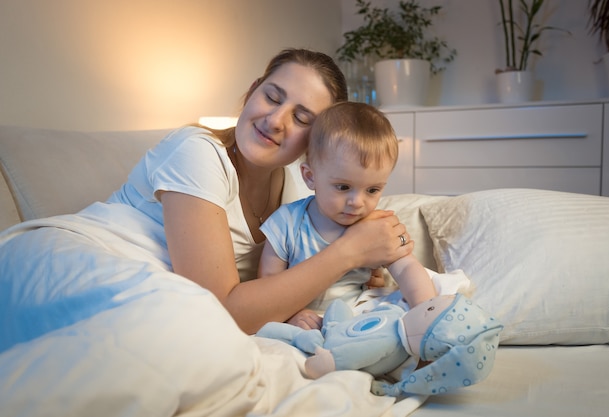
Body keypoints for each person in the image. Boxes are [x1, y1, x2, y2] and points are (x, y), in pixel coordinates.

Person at [0, 48, 415, 345]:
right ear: (253, 90)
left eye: (301, 117)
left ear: (318, 141)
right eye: (271, 96)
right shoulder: (197, 151)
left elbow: (289, 278)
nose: (275, 120)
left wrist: (358, 268)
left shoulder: (298, 188)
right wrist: (348, 255)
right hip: (72, 261)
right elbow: (222, 309)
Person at [258, 102, 437, 330]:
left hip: (360, 315)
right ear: (310, 176)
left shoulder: (376, 226)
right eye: (343, 187)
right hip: (308, 318)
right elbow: (268, 286)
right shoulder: (286, 223)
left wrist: (426, 310)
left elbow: (407, 269)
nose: (357, 202)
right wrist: (293, 315)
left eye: (372, 190)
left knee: (435, 287)